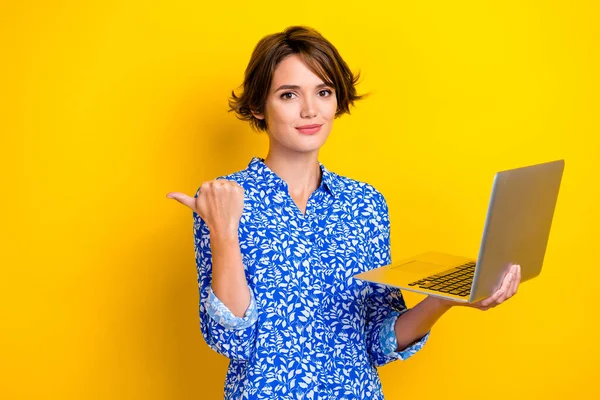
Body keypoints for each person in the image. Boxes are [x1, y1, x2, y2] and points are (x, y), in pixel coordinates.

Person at [166, 25, 521, 400]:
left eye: (323, 92)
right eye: (288, 95)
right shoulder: (223, 199)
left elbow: (378, 339)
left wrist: (447, 297)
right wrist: (223, 231)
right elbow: (230, 339)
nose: (310, 110)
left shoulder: (365, 204)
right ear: (258, 106)